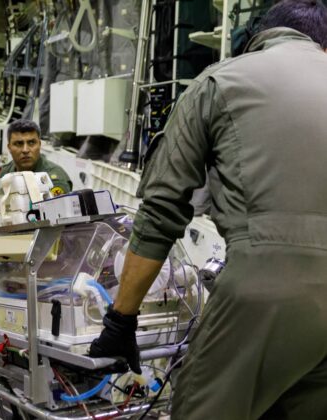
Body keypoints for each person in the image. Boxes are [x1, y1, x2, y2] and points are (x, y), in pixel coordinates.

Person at [88, 1, 327, 418]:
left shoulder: (220, 81)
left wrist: (120, 321)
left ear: (257, 40)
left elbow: (161, 211)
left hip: (266, 290)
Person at [0, 119, 72, 196]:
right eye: (19, 143)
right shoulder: (5, 173)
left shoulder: (54, 178)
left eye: (31, 143)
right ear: (9, 147)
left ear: (39, 144)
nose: (25, 150)